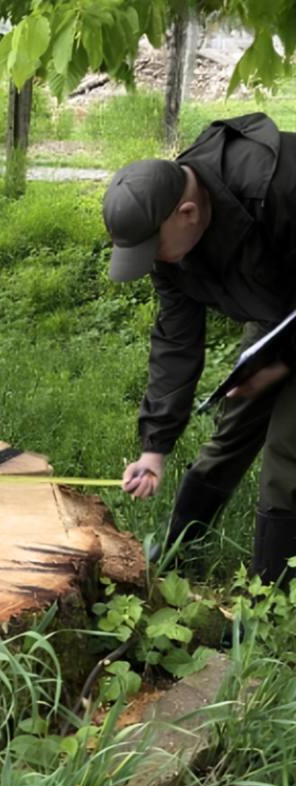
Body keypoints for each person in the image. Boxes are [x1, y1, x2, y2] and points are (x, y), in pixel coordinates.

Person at [103, 112, 296, 586]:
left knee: (286, 452)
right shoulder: (171, 242)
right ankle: (173, 555)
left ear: (187, 214)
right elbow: (176, 339)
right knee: (237, 418)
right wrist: (155, 448)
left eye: (154, 250)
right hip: (280, 311)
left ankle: (267, 605)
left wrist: (284, 365)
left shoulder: (276, 189)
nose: (154, 263)